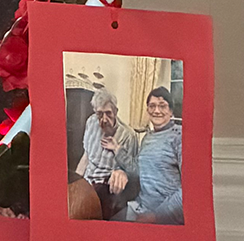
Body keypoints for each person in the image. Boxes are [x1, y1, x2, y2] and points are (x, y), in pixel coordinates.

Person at [70, 91, 140, 219]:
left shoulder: (128, 136)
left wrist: (117, 152)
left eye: (108, 113)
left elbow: (133, 171)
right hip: (86, 184)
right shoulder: (91, 122)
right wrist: (74, 183)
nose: (104, 119)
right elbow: (86, 157)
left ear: (116, 111)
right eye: (99, 114)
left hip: (107, 189)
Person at [122, 88, 184, 223]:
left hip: (166, 217)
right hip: (141, 208)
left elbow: (188, 189)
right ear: (147, 110)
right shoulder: (147, 138)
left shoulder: (179, 136)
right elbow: (137, 170)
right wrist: (120, 169)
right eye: (152, 106)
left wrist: (156, 216)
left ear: (171, 111)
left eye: (162, 106)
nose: (156, 111)